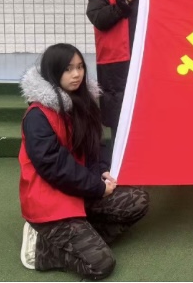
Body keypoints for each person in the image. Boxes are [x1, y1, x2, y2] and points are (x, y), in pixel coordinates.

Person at [18, 44, 149, 279]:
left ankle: (82, 237)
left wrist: (102, 170)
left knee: (138, 200)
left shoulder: (82, 103)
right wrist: (97, 188)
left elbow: (95, 146)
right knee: (101, 264)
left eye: (80, 67)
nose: (76, 74)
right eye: (68, 69)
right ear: (53, 71)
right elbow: (55, 167)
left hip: (80, 191)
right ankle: (40, 249)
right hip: (51, 201)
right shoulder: (38, 115)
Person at [87, 0, 157, 136]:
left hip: (145, 54)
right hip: (115, 56)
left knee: (146, 107)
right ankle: (117, 153)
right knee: (118, 112)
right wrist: (125, 1)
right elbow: (99, 19)